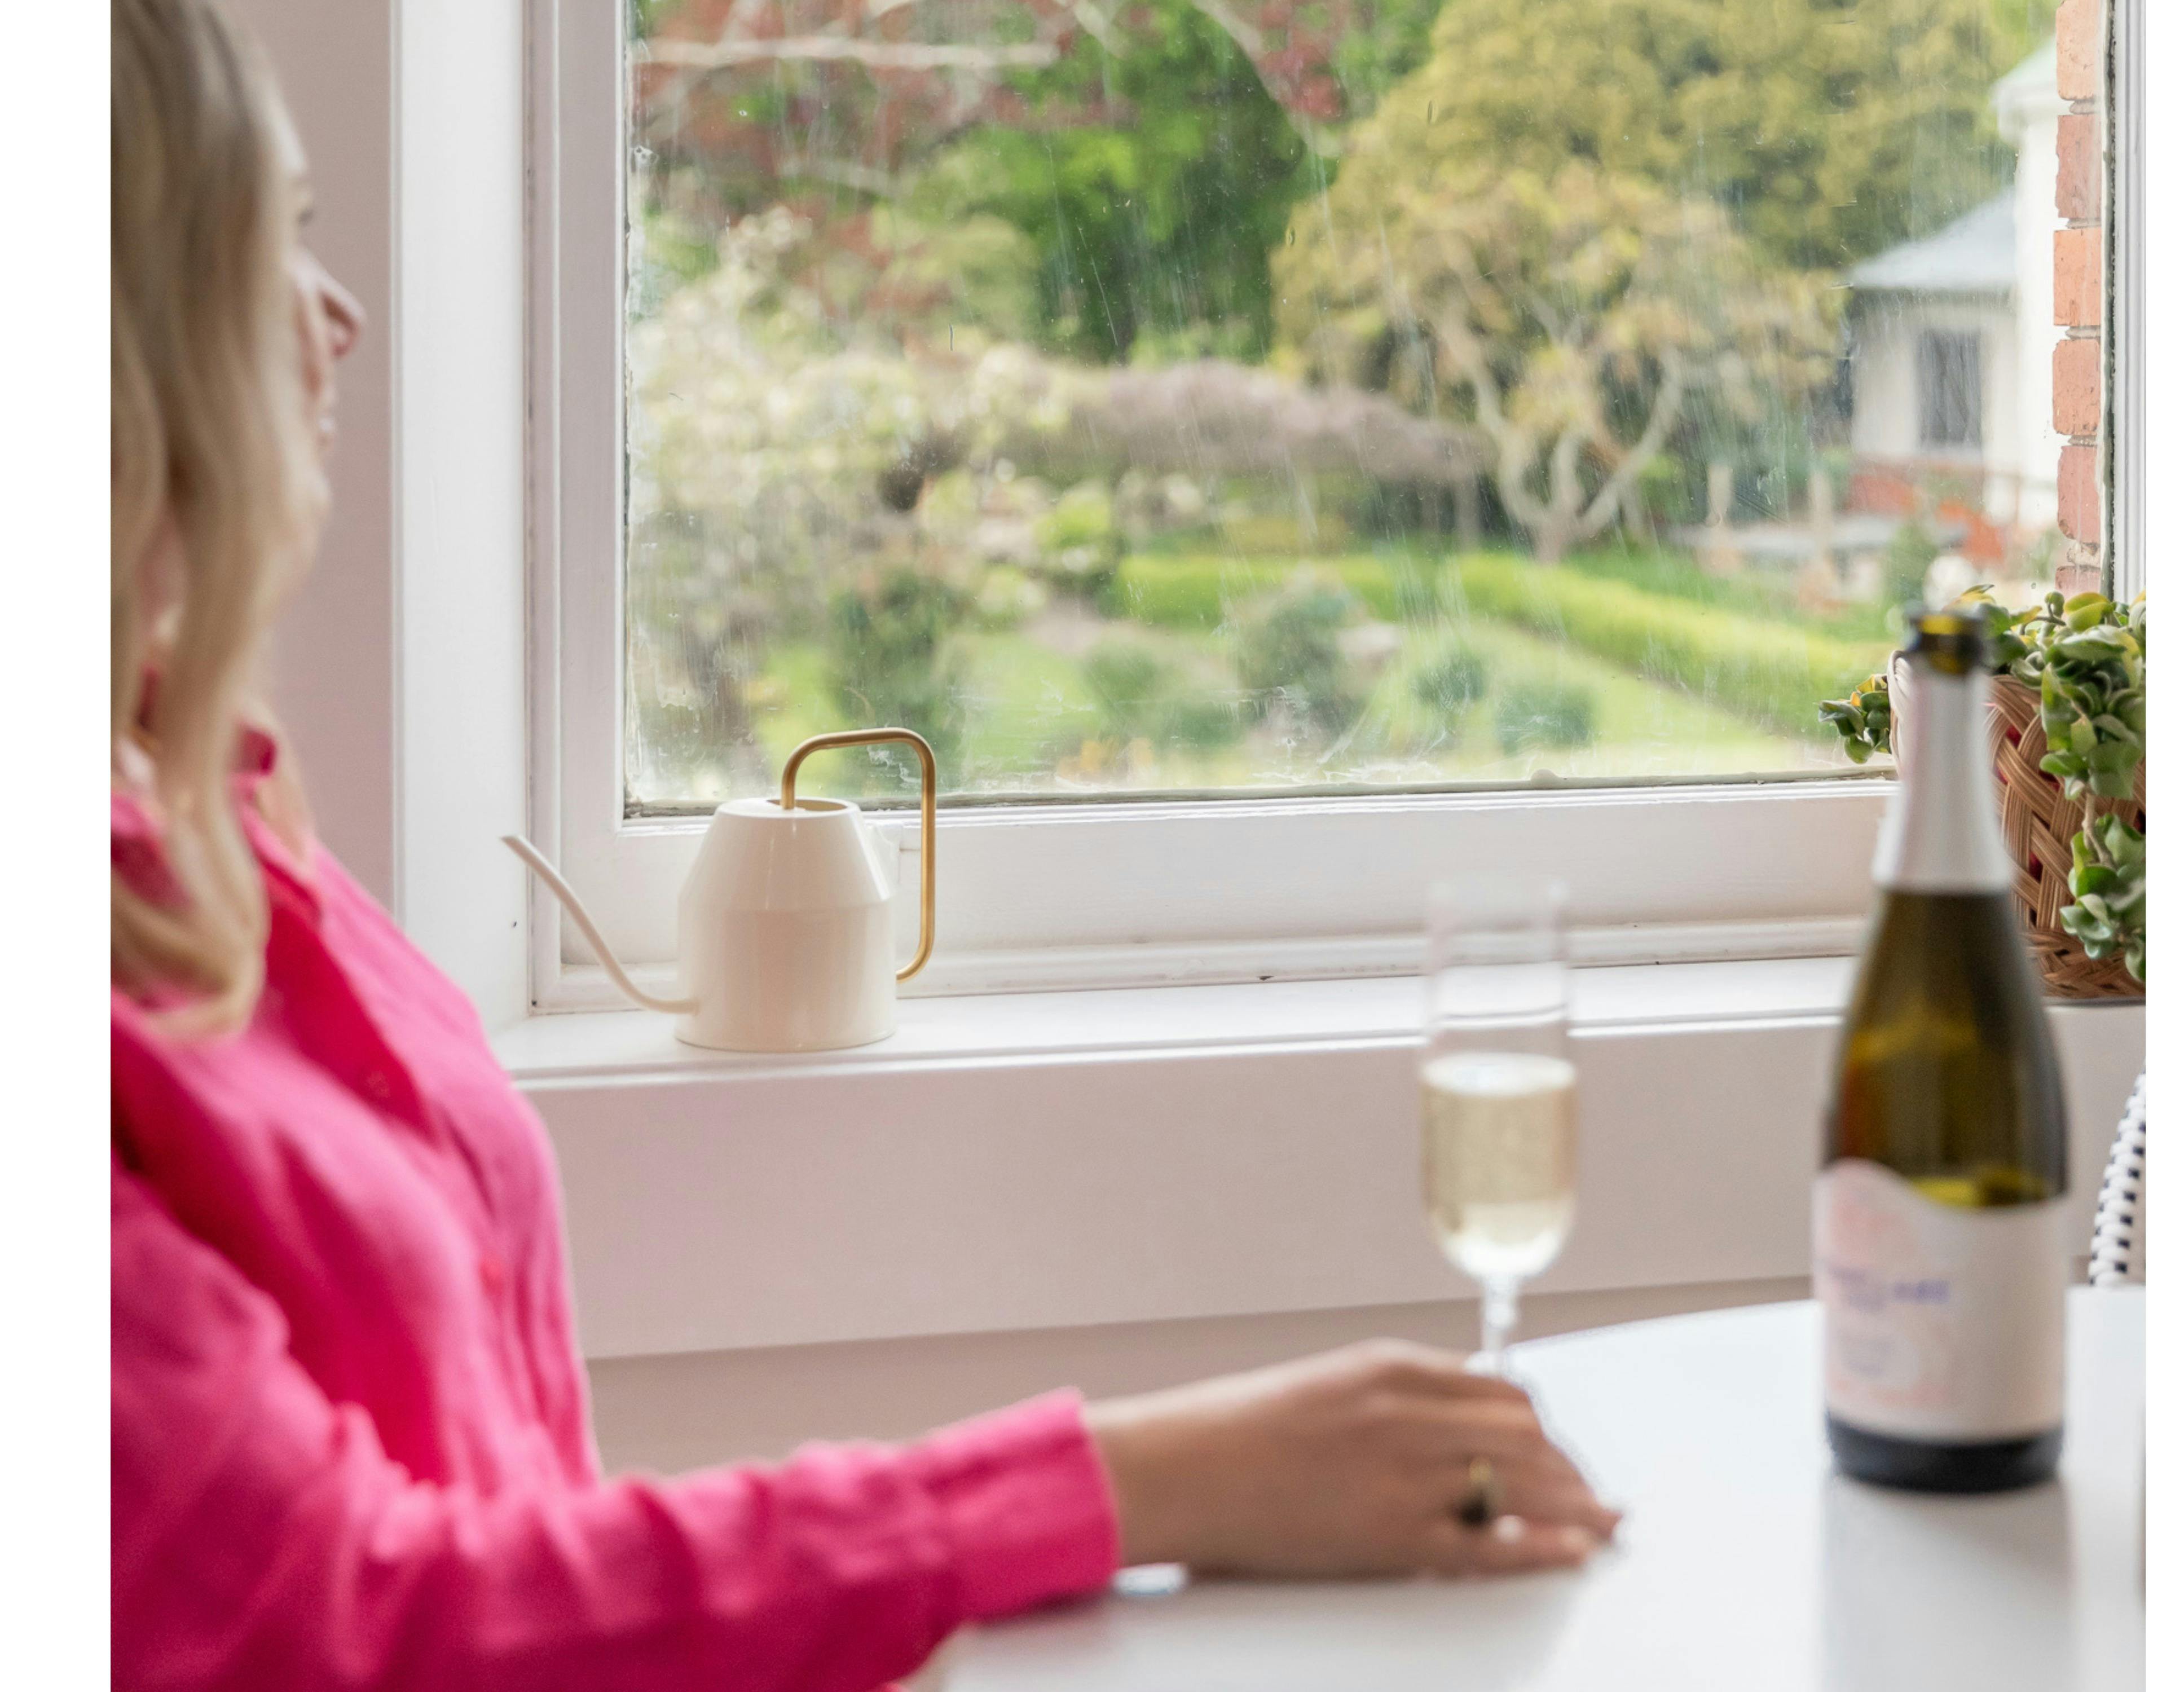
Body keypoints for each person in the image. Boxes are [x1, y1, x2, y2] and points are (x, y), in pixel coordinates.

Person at [108, 2, 1620, 1686]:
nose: (340, 315)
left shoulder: (212, 814)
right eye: (267, 244)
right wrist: (1144, 1479)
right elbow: (357, 1622)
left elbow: (493, 1520)